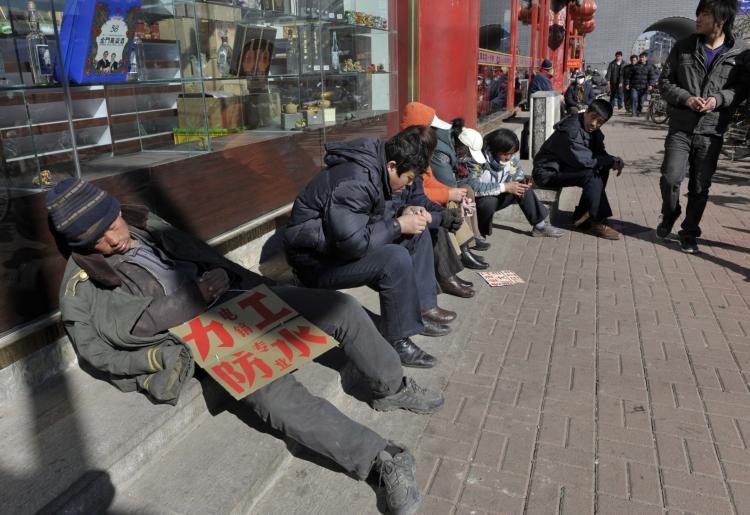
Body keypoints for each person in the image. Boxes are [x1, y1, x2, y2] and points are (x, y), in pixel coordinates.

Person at [48, 178, 446, 515]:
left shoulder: (143, 222)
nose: (113, 240)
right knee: (274, 394)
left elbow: (198, 254)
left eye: (111, 225)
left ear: (117, 209)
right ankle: (380, 459)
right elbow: (113, 339)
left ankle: (391, 388)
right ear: (80, 245)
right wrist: (192, 299)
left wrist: (221, 276)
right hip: (201, 334)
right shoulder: (84, 282)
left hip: (237, 297)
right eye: (97, 240)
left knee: (341, 308)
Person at [284, 125, 457, 369]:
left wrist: (404, 213)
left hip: (334, 249)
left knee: (417, 234)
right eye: (408, 180)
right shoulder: (355, 180)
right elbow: (353, 243)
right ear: (393, 166)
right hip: (314, 263)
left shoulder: (377, 168)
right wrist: (398, 224)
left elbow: (368, 216)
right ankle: (396, 338)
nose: (409, 186)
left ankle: (414, 313)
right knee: (394, 258)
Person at [657, 0, 750, 253]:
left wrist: (718, 99)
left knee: (700, 186)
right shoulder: (683, 47)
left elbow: (742, 88)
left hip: (712, 130)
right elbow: (664, 82)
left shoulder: (740, 52)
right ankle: (670, 212)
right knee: (670, 177)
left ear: (721, 19)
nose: (698, 18)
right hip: (681, 126)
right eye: (698, 13)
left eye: (705, 14)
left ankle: (689, 232)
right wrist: (686, 98)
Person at [399, 101, 480, 299]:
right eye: (430, 127)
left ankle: (457, 260)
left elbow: (428, 183)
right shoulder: (409, 152)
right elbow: (417, 191)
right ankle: (449, 272)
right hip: (405, 207)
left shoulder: (419, 149)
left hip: (412, 202)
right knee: (439, 214)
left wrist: (451, 192)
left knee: (452, 203)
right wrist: (448, 194)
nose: (434, 131)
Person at [532, 99, 626, 240]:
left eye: (600, 122)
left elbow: (599, 153)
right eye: (593, 117)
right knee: (591, 175)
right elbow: (586, 160)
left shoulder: (593, 130)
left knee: (602, 169)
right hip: (547, 172)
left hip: (564, 167)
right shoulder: (571, 130)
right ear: (586, 112)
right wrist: (609, 161)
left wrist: (613, 160)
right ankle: (598, 221)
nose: (595, 124)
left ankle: (582, 216)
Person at [455, 126, 565, 239]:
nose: (509, 157)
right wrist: (505, 187)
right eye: (506, 154)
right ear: (495, 150)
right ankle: (479, 232)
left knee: (522, 189)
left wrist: (520, 181)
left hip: (499, 194)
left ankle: (540, 226)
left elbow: (517, 173)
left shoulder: (511, 159)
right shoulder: (477, 159)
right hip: (479, 201)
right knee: (489, 202)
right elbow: (474, 187)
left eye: (512, 154)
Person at [430, 115, 490, 271]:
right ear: (461, 145)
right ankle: (463, 250)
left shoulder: (452, 143)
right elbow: (446, 183)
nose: (468, 157)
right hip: (432, 187)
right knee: (455, 200)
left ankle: (472, 239)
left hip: (434, 183)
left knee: (467, 190)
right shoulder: (442, 152)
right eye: (468, 153)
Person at [626, 51, 658, 116]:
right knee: (633, 98)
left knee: (641, 101)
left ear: (646, 58)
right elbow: (629, 76)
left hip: (644, 87)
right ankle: (633, 112)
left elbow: (652, 77)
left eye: (643, 57)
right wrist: (627, 84)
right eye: (640, 57)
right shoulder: (635, 66)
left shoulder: (650, 67)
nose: (641, 59)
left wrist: (651, 85)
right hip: (634, 86)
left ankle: (639, 112)